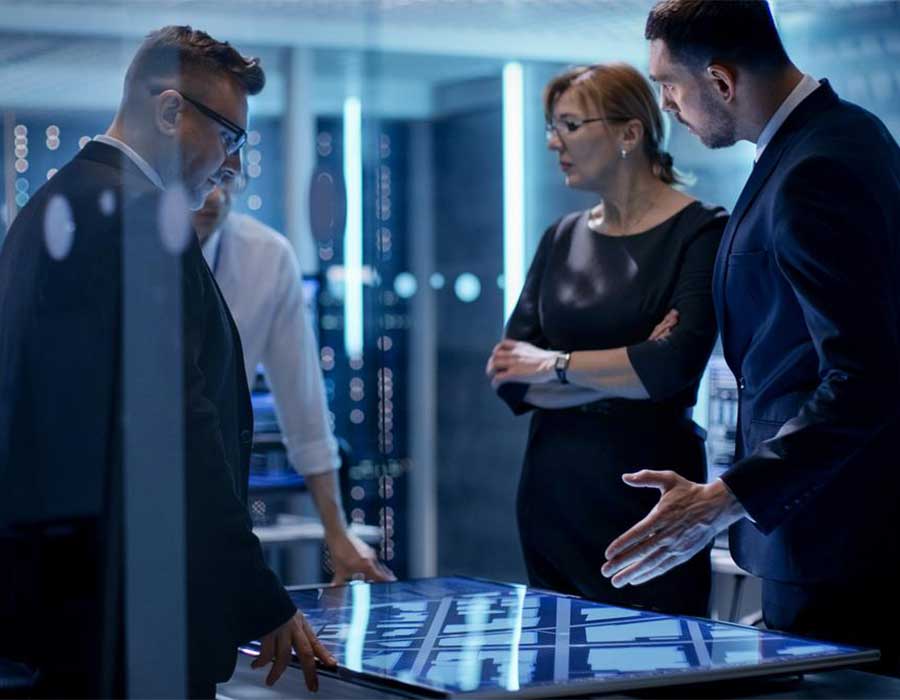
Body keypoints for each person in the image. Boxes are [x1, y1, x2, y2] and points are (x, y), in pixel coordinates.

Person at [0, 26, 335, 697]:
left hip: (59, 611)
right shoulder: (140, 221)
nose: (233, 166)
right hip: (131, 621)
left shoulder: (47, 208)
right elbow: (175, 434)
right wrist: (259, 595)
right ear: (171, 111)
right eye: (230, 137)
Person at [602, 0, 900, 673]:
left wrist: (724, 499)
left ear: (723, 82)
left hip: (840, 548)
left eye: (670, 85)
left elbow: (865, 378)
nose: (669, 106)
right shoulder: (837, 140)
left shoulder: (816, 168)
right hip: (828, 537)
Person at [486, 62, 727, 616]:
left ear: (629, 133)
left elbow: (672, 367)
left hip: (650, 499)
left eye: (569, 125)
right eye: (552, 126)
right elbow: (506, 377)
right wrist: (630, 368)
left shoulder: (702, 231)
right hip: (553, 494)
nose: (553, 141)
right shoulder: (562, 236)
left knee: (658, 669)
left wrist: (552, 365)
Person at [192, 183, 395, 584]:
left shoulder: (266, 257)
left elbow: (305, 408)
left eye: (229, 179)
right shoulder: (122, 246)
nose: (216, 196)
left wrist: (337, 533)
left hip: (218, 492)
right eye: (209, 177)